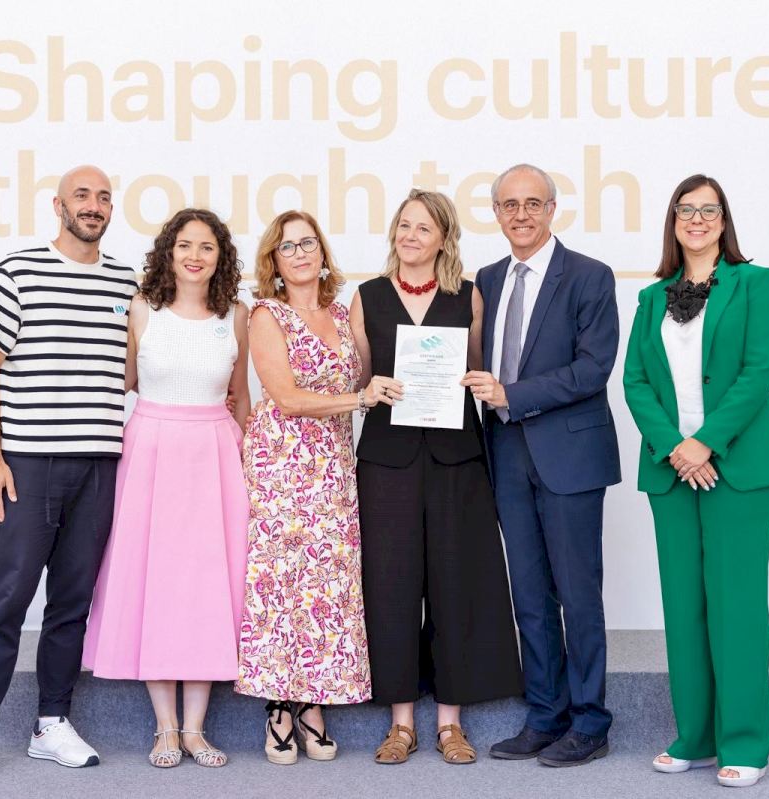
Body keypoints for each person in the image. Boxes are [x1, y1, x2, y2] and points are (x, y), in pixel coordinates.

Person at [0, 165, 137, 781]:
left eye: (103, 197)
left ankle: (51, 723)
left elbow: (137, 368)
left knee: (72, 603)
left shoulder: (126, 282)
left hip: (99, 464)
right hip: (27, 466)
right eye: (82, 195)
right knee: (6, 599)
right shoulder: (16, 272)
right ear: (59, 205)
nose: (93, 205)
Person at [622, 174, 769, 789]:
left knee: (735, 609)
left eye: (708, 210)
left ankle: (743, 742)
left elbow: (758, 371)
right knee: (684, 610)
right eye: (685, 209)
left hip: (739, 473)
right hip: (673, 474)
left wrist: (705, 443)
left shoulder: (754, 284)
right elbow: (635, 381)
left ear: (724, 221)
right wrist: (676, 449)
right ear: (673, 221)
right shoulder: (652, 298)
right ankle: (694, 736)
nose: (696, 219)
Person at [350, 189, 522, 766]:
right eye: (404, 225)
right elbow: (358, 378)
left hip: (455, 459)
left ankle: (451, 723)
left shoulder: (467, 296)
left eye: (424, 228)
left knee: (456, 582)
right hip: (387, 459)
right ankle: (401, 723)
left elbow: (479, 368)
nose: (411, 236)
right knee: (391, 586)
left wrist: (481, 382)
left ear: (444, 238)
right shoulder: (367, 296)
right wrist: (367, 389)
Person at [461, 163, 621, 768]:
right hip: (506, 453)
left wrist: (512, 394)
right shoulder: (487, 279)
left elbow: (592, 368)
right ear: (496, 214)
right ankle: (545, 715)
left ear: (552, 209)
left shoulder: (589, 275)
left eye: (533, 203)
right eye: (510, 204)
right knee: (528, 593)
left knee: (577, 596)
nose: (521, 214)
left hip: (570, 457)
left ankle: (590, 722)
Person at [81, 208, 250, 769]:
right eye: (185, 245)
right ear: (168, 253)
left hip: (214, 457)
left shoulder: (237, 316)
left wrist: (250, 464)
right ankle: (166, 729)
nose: (195, 256)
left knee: (206, 588)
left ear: (220, 257)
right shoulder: (139, 309)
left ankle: (196, 730)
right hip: (150, 455)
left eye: (207, 247)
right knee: (155, 584)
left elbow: (241, 398)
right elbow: (121, 381)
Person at [235, 210, 382, 765]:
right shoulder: (266, 315)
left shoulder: (343, 315)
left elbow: (368, 376)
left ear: (322, 252)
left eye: (308, 243)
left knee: (327, 584)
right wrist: (360, 400)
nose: (299, 253)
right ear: (273, 260)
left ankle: (313, 702)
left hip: (334, 468)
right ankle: (278, 704)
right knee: (279, 584)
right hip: (282, 466)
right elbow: (288, 397)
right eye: (287, 246)